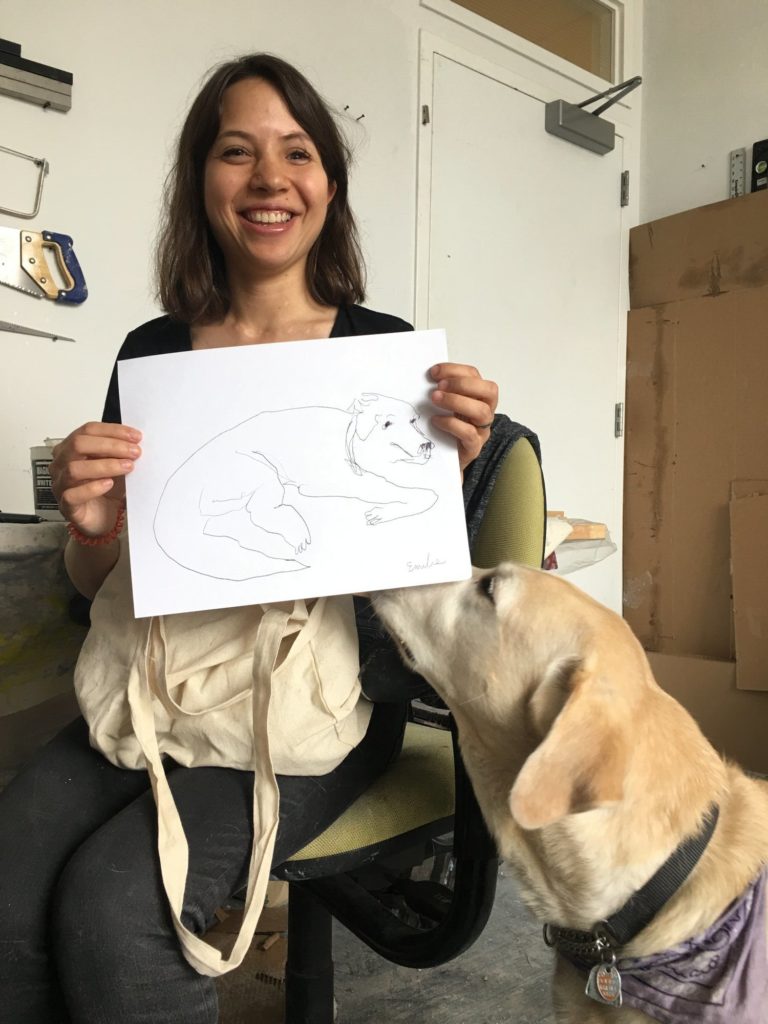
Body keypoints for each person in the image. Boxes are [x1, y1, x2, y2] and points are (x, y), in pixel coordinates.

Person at [0, 54, 499, 1023]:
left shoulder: (383, 355)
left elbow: (427, 600)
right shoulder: (153, 355)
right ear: (201, 184)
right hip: (160, 690)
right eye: (238, 152)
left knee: (114, 907)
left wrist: (453, 477)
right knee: (11, 864)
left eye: (297, 152)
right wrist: (93, 525)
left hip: (321, 709)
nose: (270, 178)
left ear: (329, 186)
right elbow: (105, 575)